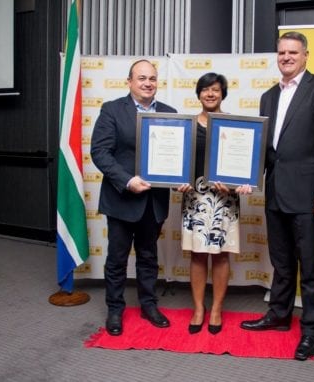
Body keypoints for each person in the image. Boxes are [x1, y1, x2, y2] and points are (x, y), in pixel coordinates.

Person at [239, 31, 314, 360]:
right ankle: (279, 316)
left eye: (293, 52)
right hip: (275, 194)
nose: (286, 57)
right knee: (282, 264)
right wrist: (249, 177)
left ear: (305, 55)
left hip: (310, 196)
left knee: (311, 267)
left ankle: (311, 329)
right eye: (282, 52)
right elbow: (266, 149)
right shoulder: (269, 96)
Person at [91, 59, 177, 336]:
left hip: (153, 203)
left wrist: (181, 177)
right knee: (116, 259)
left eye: (152, 78)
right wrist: (127, 181)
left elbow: (176, 155)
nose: (148, 83)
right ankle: (115, 309)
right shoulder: (112, 110)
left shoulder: (170, 112)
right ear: (129, 82)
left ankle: (148, 305)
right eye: (141, 78)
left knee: (149, 257)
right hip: (121, 200)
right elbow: (100, 152)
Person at [178, 72, 251, 335]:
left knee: (220, 256)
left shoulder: (235, 125)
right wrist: (177, 180)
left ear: (223, 94)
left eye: (216, 90)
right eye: (205, 89)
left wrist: (244, 182)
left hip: (225, 199)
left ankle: (217, 309)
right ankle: (199, 308)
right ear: (198, 93)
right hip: (194, 196)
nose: (210, 94)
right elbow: (176, 161)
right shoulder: (185, 125)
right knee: (197, 255)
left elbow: (246, 164)